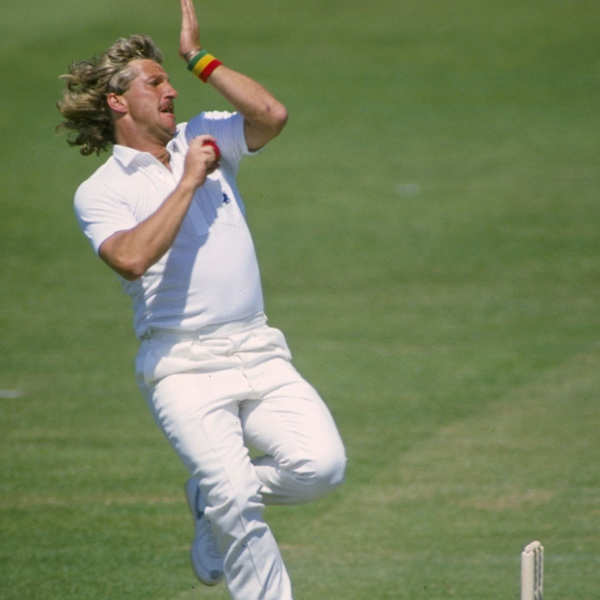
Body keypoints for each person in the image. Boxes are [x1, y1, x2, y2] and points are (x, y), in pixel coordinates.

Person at [57, 1, 346, 599]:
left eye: (170, 80)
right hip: (183, 366)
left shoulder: (205, 133)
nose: (170, 92)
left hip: (259, 347)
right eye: (155, 82)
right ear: (118, 101)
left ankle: (206, 496)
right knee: (237, 499)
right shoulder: (101, 190)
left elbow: (271, 115)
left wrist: (198, 59)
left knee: (321, 469)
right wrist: (189, 179)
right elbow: (132, 259)